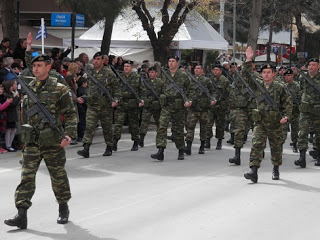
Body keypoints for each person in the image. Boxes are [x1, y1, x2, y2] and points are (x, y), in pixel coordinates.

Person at [4, 54, 77, 229]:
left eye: (39, 65)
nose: (35, 69)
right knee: (26, 177)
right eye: (34, 65)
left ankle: (63, 207)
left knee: (58, 177)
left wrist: (69, 135)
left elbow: (71, 114)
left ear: (48, 67)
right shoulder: (30, 87)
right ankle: (21, 214)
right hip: (32, 142)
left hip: (53, 141)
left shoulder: (60, 89)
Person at [242, 46, 292, 183]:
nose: (266, 75)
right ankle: (254, 171)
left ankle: (276, 167)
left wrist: (286, 116)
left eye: (269, 72)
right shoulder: (257, 85)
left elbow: (288, 103)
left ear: (274, 74)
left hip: (276, 123)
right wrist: (248, 59)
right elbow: (245, 75)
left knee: (276, 147)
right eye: (264, 72)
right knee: (257, 145)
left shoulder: (280, 87)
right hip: (260, 122)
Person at [150, 56, 194, 161]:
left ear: (177, 63)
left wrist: (189, 100)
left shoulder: (183, 76)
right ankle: (160, 151)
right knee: (162, 126)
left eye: (173, 61)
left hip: (179, 107)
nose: (171, 63)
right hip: (166, 106)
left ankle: (181, 150)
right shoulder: (164, 75)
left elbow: (191, 90)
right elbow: (159, 88)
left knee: (178, 130)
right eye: (169, 61)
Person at [77, 52, 120, 158]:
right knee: (90, 127)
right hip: (92, 105)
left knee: (107, 127)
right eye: (95, 59)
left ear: (102, 61)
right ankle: (86, 148)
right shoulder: (90, 72)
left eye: (98, 59)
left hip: (105, 105)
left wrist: (116, 100)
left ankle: (109, 147)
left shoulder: (108, 73)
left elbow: (116, 87)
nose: (96, 61)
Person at [112, 60, 145, 151]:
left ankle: (135, 142)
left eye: (128, 66)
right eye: (125, 66)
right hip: (122, 103)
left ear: (132, 67)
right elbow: (115, 89)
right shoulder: (119, 77)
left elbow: (142, 90)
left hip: (132, 104)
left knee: (133, 124)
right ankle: (115, 141)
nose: (126, 68)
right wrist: (115, 99)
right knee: (118, 123)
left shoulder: (136, 77)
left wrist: (141, 100)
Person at [184, 65, 216, 155]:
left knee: (203, 128)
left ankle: (202, 146)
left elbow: (212, 91)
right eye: (195, 68)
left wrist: (213, 99)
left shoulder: (206, 80)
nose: (196, 70)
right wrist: (187, 100)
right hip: (193, 108)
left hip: (203, 108)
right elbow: (186, 92)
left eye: (198, 68)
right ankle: (188, 146)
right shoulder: (190, 80)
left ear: (202, 70)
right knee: (190, 127)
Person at [295, 58, 320, 167]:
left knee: (319, 134)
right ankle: (302, 158)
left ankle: (319, 156)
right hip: (305, 110)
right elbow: (300, 89)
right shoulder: (302, 77)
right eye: (310, 65)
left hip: (318, 110)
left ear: (318, 66)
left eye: (314, 65)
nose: (311, 67)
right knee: (303, 133)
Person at [205, 64, 230, 150]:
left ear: (220, 71)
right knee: (208, 124)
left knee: (220, 125)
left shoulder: (225, 81)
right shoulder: (209, 80)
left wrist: (228, 106)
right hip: (211, 106)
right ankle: (207, 141)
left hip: (221, 106)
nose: (215, 71)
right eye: (214, 70)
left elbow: (228, 93)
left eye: (217, 70)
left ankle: (219, 141)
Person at [138, 67, 164, 147]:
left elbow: (163, 93)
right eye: (150, 72)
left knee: (159, 123)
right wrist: (143, 100)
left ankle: (160, 140)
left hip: (157, 106)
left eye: (153, 72)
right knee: (144, 123)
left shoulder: (160, 82)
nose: (151, 74)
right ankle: (141, 139)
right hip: (148, 106)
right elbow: (142, 93)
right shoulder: (146, 82)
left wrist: (161, 102)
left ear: (156, 73)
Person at [281, 69, 301, 153]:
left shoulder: (296, 86)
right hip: (284, 111)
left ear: (292, 76)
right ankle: (280, 146)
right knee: (283, 130)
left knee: (295, 129)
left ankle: (295, 144)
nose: (287, 77)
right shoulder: (282, 85)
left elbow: (299, 97)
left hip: (294, 111)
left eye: (289, 75)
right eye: (286, 75)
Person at [2, 79, 20, 152]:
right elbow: (12, 104)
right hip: (9, 115)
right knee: (9, 130)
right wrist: (17, 98)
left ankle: (10, 144)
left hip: (13, 114)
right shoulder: (7, 95)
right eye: (14, 85)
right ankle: (8, 145)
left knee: (13, 129)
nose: (15, 86)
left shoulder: (12, 93)